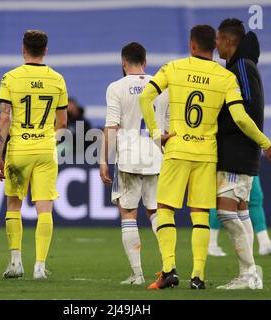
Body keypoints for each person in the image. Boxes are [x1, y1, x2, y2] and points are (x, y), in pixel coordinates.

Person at [139, 25, 271, 290]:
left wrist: (157, 134)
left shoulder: (173, 68)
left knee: (166, 209)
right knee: (201, 213)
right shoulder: (225, 77)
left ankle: (168, 270)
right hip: (206, 153)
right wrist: (266, 142)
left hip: (178, 148)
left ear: (192, 45)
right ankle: (198, 276)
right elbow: (240, 117)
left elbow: (146, 98)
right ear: (213, 46)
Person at [212, 18, 271, 289]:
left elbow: (246, 112)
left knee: (226, 214)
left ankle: (248, 273)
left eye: (219, 39)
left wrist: (263, 142)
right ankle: (251, 274)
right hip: (243, 151)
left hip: (236, 152)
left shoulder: (240, 67)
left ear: (230, 41)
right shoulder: (242, 65)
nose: (216, 44)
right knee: (241, 213)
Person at [0, 30, 68, 280]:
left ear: (23, 48)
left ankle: (16, 263)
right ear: (45, 50)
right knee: (44, 208)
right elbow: (63, 122)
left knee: (13, 206)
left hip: (18, 151)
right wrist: (45, 138)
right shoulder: (57, 79)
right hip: (46, 151)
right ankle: (39, 266)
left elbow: (4, 117)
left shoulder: (10, 78)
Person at [100, 42, 169, 285]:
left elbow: (112, 126)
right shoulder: (161, 86)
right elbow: (168, 127)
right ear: (145, 62)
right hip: (156, 156)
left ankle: (138, 275)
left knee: (128, 213)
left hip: (128, 157)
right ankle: (167, 268)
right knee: (156, 212)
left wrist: (104, 160)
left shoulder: (116, 87)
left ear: (123, 62)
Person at [209, 177, 271, 257]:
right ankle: (211, 244)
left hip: (248, 163)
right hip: (227, 164)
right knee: (222, 197)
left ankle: (264, 243)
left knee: (255, 198)